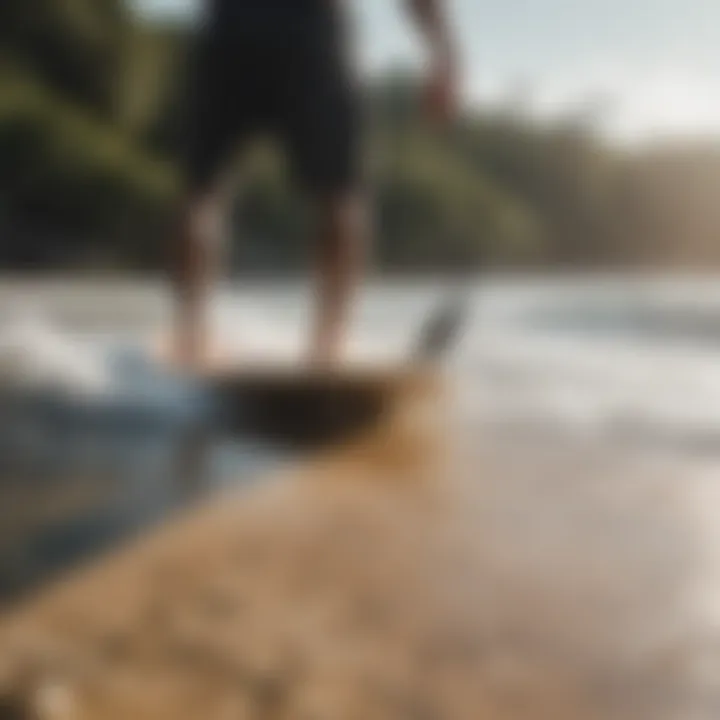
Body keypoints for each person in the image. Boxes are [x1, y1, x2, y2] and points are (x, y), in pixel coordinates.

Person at [170, 0, 457, 368]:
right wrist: (443, 53)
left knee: (201, 195)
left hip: (234, 22)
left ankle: (190, 335)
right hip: (307, 26)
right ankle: (328, 348)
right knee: (340, 194)